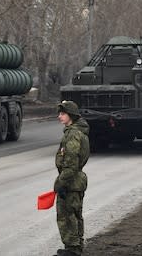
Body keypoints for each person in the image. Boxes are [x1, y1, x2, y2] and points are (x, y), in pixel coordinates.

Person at [54, 100, 90, 256]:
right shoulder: (75, 131)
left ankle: (72, 249)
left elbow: (71, 162)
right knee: (74, 214)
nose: (59, 117)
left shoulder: (73, 134)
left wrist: (61, 182)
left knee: (67, 215)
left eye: (62, 114)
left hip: (71, 181)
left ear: (71, 116)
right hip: (74, 181)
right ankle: (75, 247)